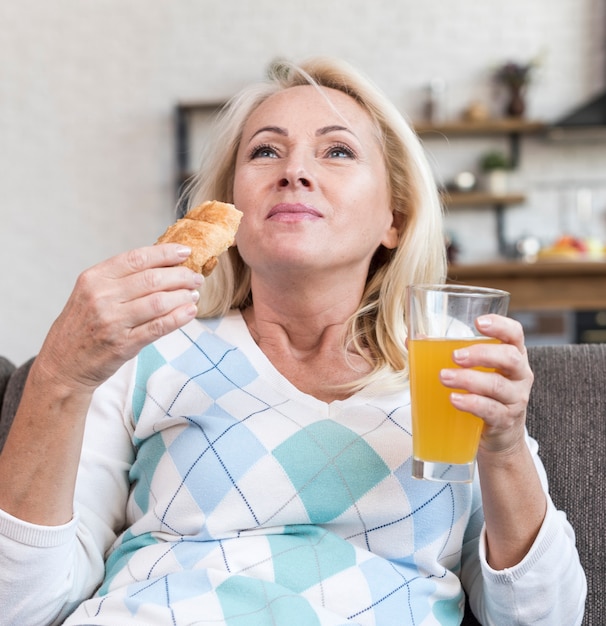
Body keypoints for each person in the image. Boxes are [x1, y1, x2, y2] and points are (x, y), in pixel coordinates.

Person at [0, 57, 585, 625]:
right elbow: (21, 606)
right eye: (265, 151)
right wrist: (59, 376)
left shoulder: (448, 363)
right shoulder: (148, 353)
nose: (294, 172)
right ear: (229, 207)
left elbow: (544, 616)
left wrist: (504, 448)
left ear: (395, 218)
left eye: (337, 151)